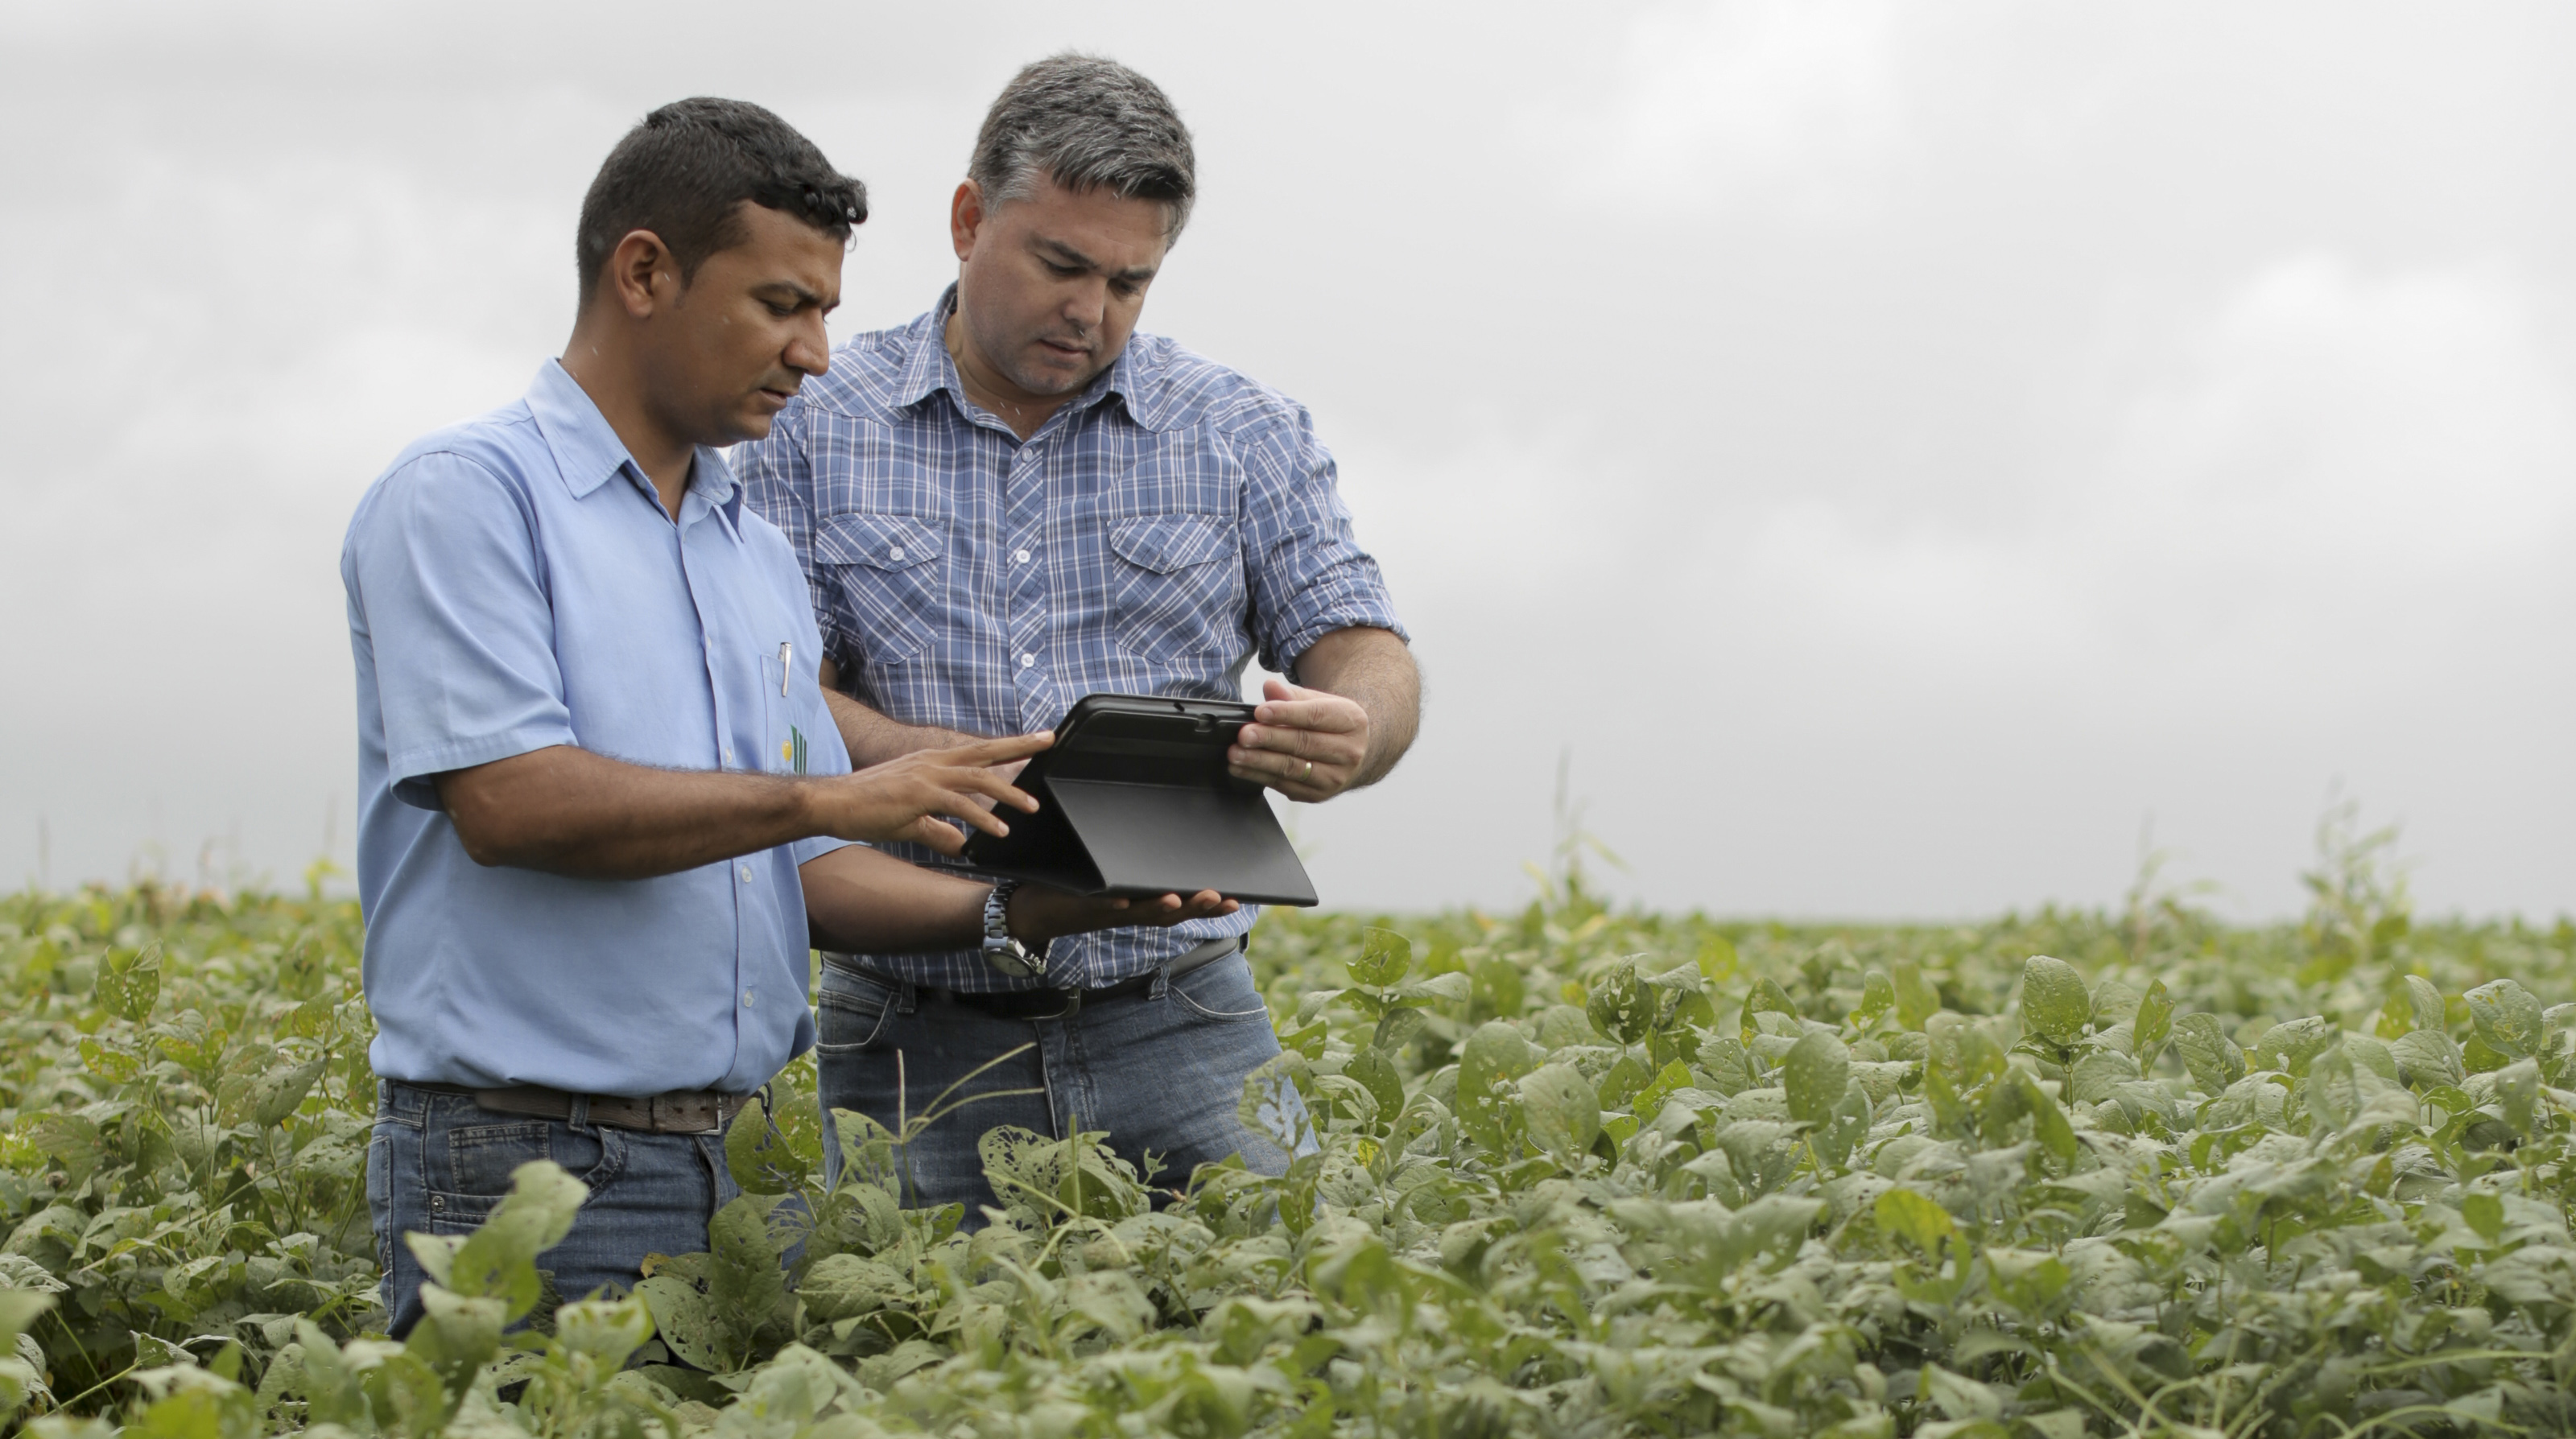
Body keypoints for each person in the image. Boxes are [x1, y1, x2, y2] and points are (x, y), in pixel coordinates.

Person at [342, 97, 1231, 1336]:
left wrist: (1028, 907)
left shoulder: (751, 552)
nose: (816, 353)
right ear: (643, 272)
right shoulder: (467, 500)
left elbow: (801, 871)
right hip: (520, 1167)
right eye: (780, 306)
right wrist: (830, 797)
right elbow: (513, 802)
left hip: (743, 1162)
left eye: (823, 312)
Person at [737, 55, 1419, 1218]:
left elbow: (1365, 646)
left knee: (1289, 1347)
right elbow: (778, 686)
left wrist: (1353, 728)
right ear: (967, 220)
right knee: (916, 1373)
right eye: (1061, 264)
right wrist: (926, 760)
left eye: (1129, 282)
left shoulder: (1238, 429)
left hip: (1185, 1014)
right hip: (910, 1032)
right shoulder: (808, 426)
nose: (1089, 311)